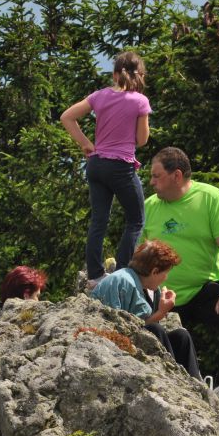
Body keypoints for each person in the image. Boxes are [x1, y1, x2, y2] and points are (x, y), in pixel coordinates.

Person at [142, 147, 219, 377]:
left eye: (156, 176)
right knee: (159, 337)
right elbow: (138, 257)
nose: (151, 182)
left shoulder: (211, 198)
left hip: (202, 289)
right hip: (163, 295)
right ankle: (188, 387)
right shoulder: (149, 206)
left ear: (176, 175)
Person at [60, 51, 151, 289]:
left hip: (96, 164)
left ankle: (95, 275)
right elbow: (142, 140)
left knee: (99, 220)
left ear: (114, 75)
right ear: (140, 75)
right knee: (136, 220)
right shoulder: (139, 101)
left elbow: (67, 117)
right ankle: (122, 273)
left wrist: (86, 144)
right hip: (121, 166)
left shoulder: (99, 96)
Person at [90, 240, 202, 379]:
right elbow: (117, 328)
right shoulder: (120, 281)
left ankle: (195, 386)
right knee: (156, 330)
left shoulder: (151, 289)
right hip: (114, 348)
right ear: (155, 271)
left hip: (136, 342)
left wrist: (161, 311)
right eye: (165, 273)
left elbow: (142, 325)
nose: (165, 278)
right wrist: (160, 313)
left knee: (181, 337)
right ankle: (172, 379)